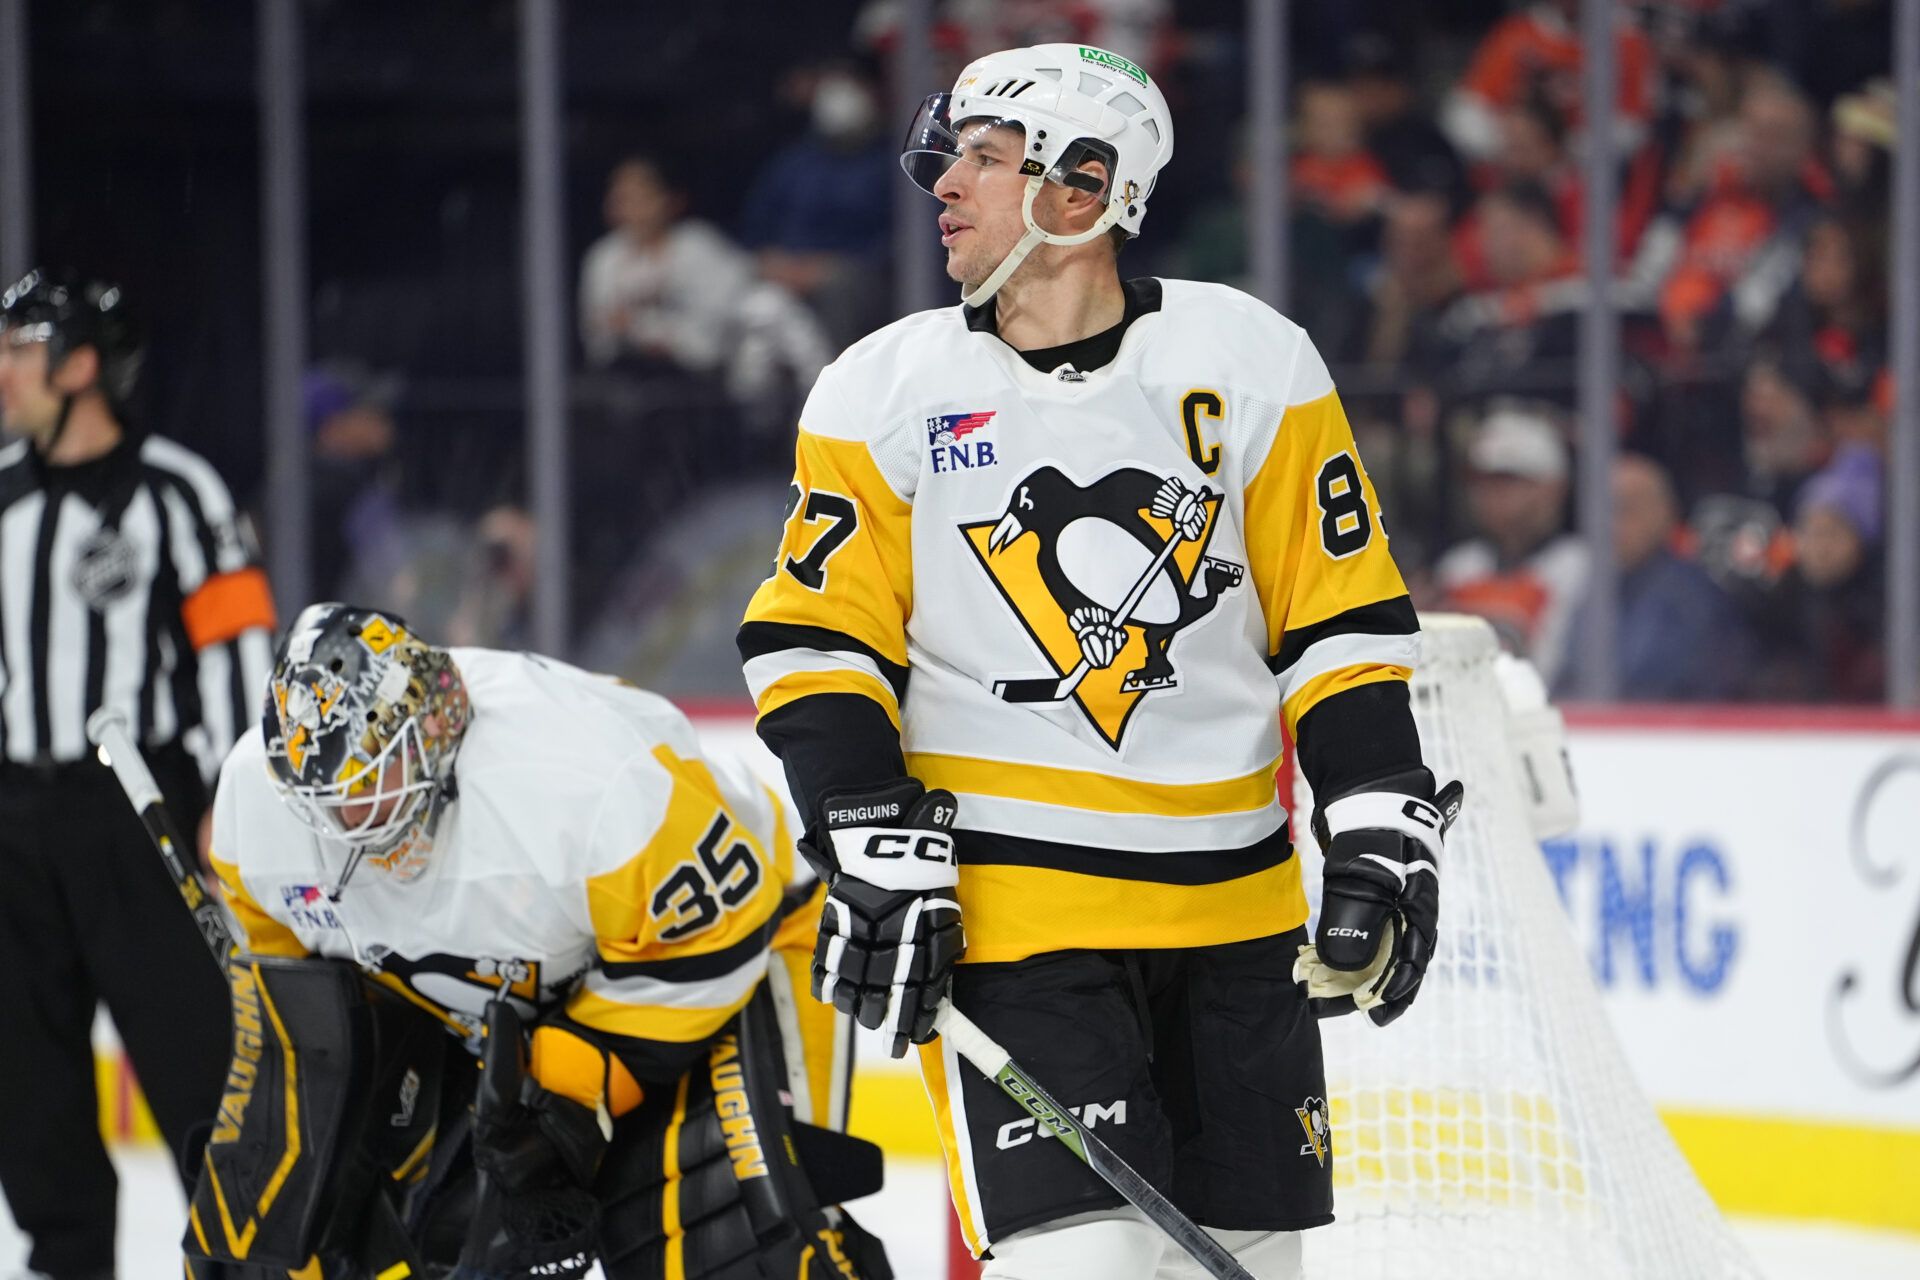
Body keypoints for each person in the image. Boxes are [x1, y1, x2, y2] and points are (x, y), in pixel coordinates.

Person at [739, 43, 1452, 1280]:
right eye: (955, 152)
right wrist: (864, 825)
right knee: (1089, 1269)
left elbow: (1337, 620)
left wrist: (1380, 812)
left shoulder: (1253, 362)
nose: (947, 184)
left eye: (986, 157)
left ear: (1081, 191)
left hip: (1241, 920)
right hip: (1023, 924)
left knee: (1249, 1265)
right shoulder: (883, 388)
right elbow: (818, 636)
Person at [206, 603, 889, 1278]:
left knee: (737, 1243)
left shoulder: (585, 789)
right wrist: (272, 1130)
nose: (345, 822)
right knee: (383, 1245)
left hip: (737, 942)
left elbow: (718, 937)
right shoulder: (257, 805)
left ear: (434, 729)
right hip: (520, 1005)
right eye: (324, 799)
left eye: (369, 781)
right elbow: (298, 1006)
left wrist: (567, 1092)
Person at [0, 269, 274, 1280]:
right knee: (30, 1089)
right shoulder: (2, 493)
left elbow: (237, 645)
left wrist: (235, 799)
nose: (3, 372)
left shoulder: (176, 488)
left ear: (79, 366)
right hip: (13, 818)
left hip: (140, 814)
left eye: (20, 350)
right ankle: (66, 1264)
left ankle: (242, 1256)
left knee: (202, 1063)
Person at [1557, 454, 1751, 701]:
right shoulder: (1594, 591)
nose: (1610, 524)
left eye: (1625, 509)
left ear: (1665, 514)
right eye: (1602, 511)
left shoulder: (1694, 600)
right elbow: (1566, 681)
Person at [1433, 405, 1589, 687]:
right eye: (1482, 481)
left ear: (1553, 488)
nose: (1491, 495)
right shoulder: (1459, 566)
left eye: (1509, 480)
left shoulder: (1581, 566)